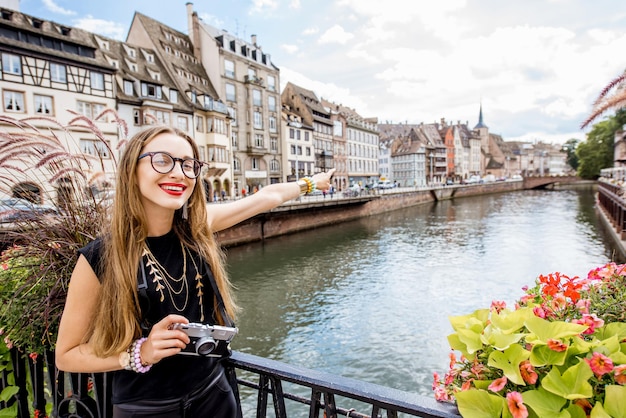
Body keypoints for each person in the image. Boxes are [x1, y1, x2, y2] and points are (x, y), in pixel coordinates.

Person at [55, 126, 335, 417]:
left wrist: (313, 183)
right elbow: (67, 355)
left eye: (188, 165)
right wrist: (141, 352)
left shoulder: (197, 228)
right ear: (131, 170)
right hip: (147, 409)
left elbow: (267, 197)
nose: (179, 173)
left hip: (213, 393)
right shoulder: (100, 257)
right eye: (162, 160)